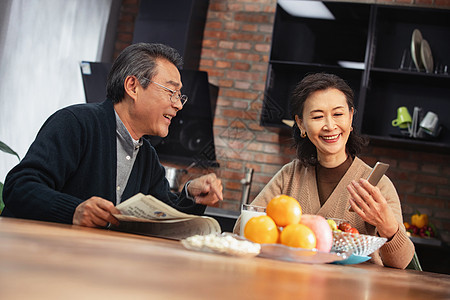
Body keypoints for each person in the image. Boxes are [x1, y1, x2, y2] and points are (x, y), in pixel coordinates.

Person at [2, 43, 223, 228]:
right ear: (133, 86)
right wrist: (74, 211)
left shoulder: (147, 157)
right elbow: (19, 187)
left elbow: (165, 215)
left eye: (179, 96)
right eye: (170, 92)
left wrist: (193, 193)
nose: (178, 105)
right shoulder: (75, 123)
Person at [233, 73, 414, 269]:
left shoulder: (377, 184)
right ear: (301, 123)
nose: (329, 126)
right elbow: (243, 229)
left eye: (338, 114)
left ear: (351, 117)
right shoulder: (289, 176)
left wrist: (389, 229)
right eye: (318, 116)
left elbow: (402, 263)